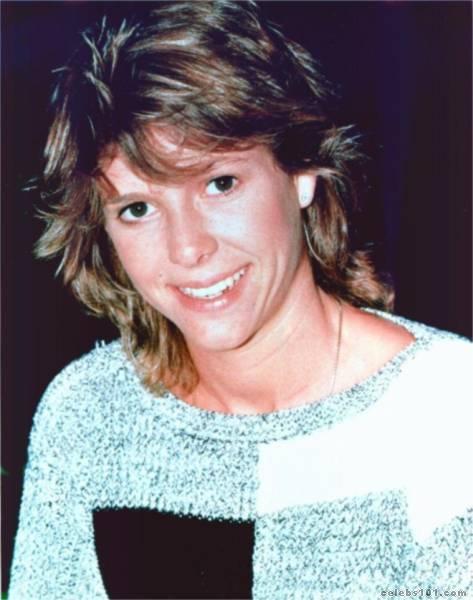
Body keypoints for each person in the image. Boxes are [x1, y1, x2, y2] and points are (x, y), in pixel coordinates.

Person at [9, 2, 472, 599]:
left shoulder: (446, 410)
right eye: (138, 209)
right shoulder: (88, 413)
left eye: (220, 183)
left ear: (302, 173)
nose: (188, 248)